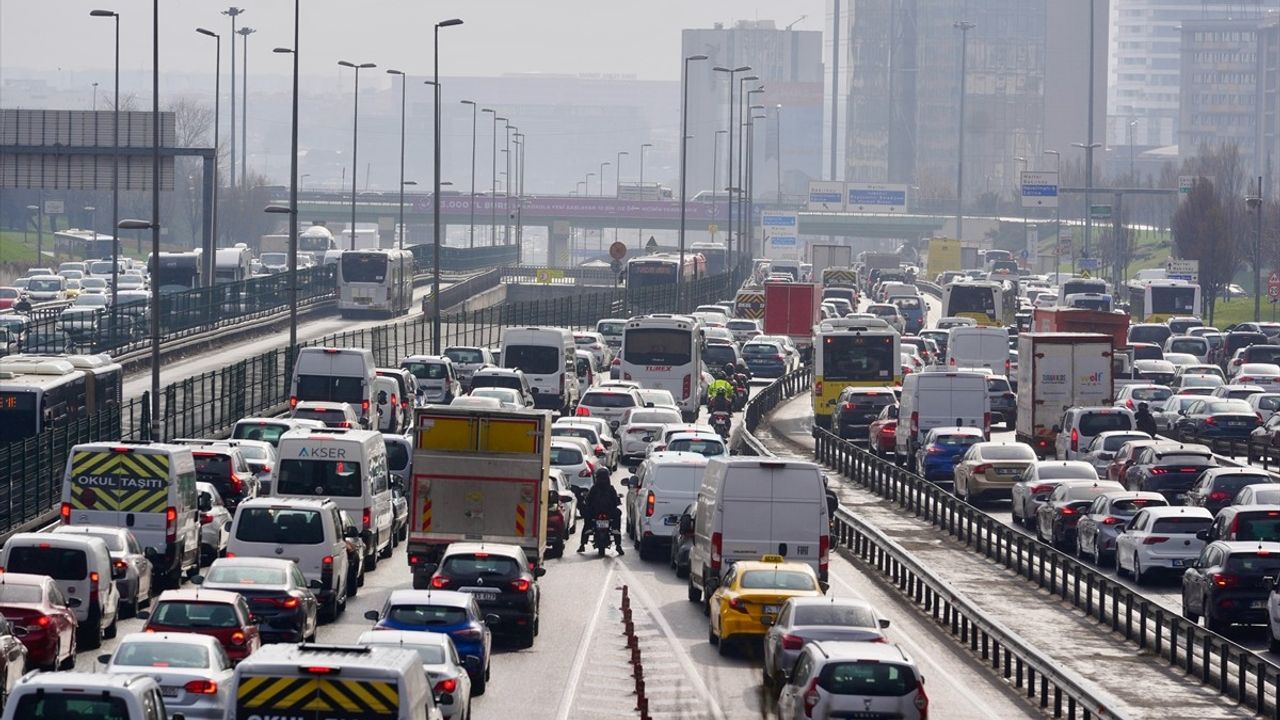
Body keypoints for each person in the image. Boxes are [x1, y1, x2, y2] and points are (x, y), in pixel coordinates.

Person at [578, 466, 624, 555]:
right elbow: (616, 500)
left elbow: (588, 500)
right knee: (617, 520)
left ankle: (582, 544)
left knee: (587, 523)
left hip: (595, 513)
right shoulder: (610, 488)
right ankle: (618, 545)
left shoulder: (594, 488)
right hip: (608, 513)